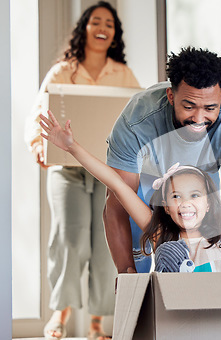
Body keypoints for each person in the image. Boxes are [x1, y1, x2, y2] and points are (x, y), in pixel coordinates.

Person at [39, 110, 221, 271]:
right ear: (165, 205)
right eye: (176, 196)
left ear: (208, 202)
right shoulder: (160, 233)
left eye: (195, 195)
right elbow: (115, 183)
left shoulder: (220, 227)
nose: (186, 204)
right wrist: (72, 147)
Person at [24, 2, 140, 339]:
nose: (103, 27)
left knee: (106, 245)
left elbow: (140, 113)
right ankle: (61, 312)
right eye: (95, 21)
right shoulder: (63, 70)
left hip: (105, 170)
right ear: (84, 29)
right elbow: (37, 113)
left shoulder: (123, 74)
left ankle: (96, 322)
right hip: (66, 169)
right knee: (70, 239)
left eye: (109, 23)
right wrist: (37, 145)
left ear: (114, 33)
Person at [103, 47, 221, 276]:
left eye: (210, 108)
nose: (199, 119)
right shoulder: (136, 121)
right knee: (136, 268)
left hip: (200, 173)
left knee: (206, 252)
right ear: (171, 96)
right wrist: (126, 272)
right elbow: (117, 202)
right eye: (189, 107)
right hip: (148, 177)